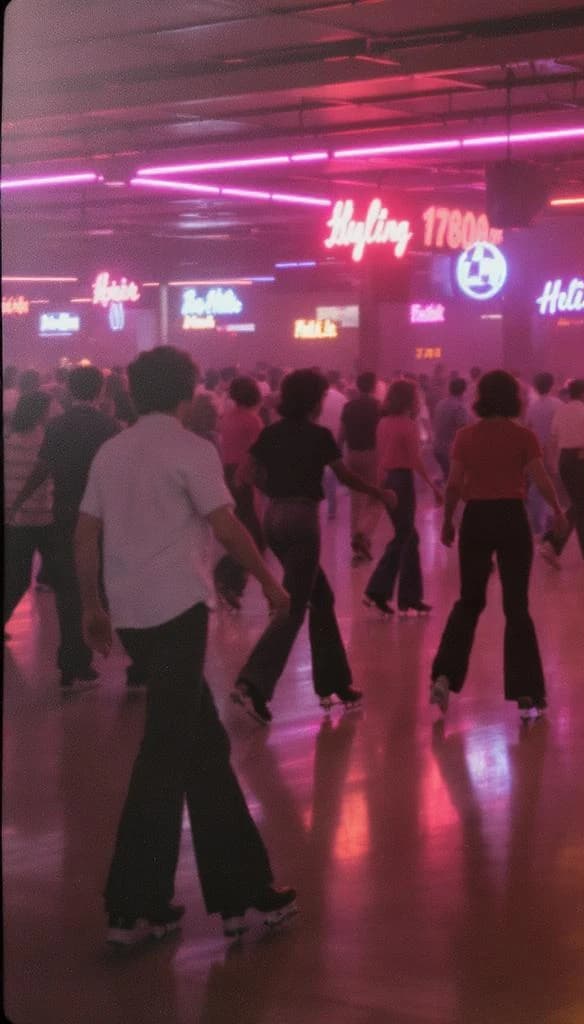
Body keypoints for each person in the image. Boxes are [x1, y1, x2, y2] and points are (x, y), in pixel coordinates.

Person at [73, 345, 297, 946]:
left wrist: (93, 608)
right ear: (185, 392)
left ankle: (242, 895)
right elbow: (226, 526)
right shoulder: (190, 450)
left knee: (200, 747)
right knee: (166, 755)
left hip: (133, 619)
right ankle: (132, 904)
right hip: (176, 613)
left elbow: (85, 532)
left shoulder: (111, 451)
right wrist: (273, 584)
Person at [233, 369, 395, 722]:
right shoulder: (319, 435)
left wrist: (270, 490)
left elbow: (242, 474)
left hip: (274, 518)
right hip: (303, 521)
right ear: (314, 400)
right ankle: (253, 683)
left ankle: (335, 682)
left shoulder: (270, 432)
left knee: (321, 598)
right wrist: (378, 492)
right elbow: (344, 475)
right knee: (292, 607)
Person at [429, 370, 566, 720]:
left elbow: (455, 485)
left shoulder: (466, 436)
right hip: (511, 517)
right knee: (516, 605)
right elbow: (540, 478)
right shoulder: (523, 436)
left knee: (469, 600)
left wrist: (447, 521)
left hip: (476, 517)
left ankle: (445, 674)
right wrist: (558, 510)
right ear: (514, 399)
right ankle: (526, 692)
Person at [7, 366, 122, 687]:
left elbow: (42, 469)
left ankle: (72, 663)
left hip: (64, 514)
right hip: (100, 517)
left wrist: (19, 501)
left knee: (69, 590)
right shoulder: (109, 427)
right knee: (102, 584)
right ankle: (119, 653)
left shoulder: (56, 426)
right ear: (100, 391)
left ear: (69, 390)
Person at [364, 379, 442, 617]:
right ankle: (377, 590)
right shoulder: (408, 425)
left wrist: (377, 488)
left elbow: (381, 456)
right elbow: (415, 460)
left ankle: (409, 597)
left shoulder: (383, 423)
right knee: (405, 536)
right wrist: (433, 486)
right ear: (411, 399)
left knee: (409, 538)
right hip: (402, 481)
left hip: (388, 480)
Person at [4, 393, 56, 645]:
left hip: (15, 519)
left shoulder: (8, 439)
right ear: (40, 413)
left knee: (16, 577)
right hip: (43, 516)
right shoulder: (45, 440)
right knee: (61, 573)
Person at [213, 376, 266, 609]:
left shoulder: (225, 418)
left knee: (243, 528)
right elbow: (258, 453)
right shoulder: (252, 421)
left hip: (227, 473)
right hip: (243, 475)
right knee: (254, 536)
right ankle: (227, 576)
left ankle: (230, 581)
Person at [538, 377, 584, 566]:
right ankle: (553, 543)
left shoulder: (561, 411)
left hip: (565, 459)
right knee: (582, 504)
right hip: (582, 458)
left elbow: (554, 437)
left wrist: (553, 462)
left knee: (579, 503)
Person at [339, 371, 382, 565]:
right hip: (373, 454)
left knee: (356, 501)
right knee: (376, 498)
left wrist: (339, 456)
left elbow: (342, 433)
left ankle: (357, 547)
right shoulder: (378, 407)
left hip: (353, 454)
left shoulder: (348, 406)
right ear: (373, 386)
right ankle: (363, 534)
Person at [524, 371, 561, 538]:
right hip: (553, 450)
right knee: (549, 485)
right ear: (551, 385)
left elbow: (528, 428)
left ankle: (537, 523)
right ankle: (548, 520)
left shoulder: (532, 407)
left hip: (535, 450)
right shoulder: (558, 404)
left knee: (535, 484)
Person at [317, 369, 347, 520]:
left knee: (316, 475)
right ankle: (332, 509)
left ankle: (315, 506)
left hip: (317, 440)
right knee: (332, 477)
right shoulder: (342, 398)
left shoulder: (318, 397)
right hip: (335, 440)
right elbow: (345, 422)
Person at [432, 376, 470, 486]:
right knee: (454, 482)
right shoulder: (459, 407)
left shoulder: (441, 403)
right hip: (450, 450)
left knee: (447, 477)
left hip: (438, 448)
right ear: (464, 391)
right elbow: (463, 430)